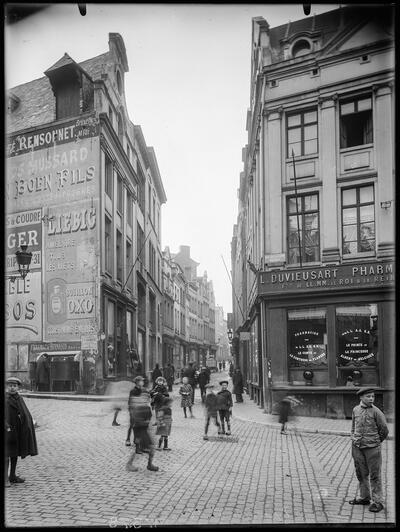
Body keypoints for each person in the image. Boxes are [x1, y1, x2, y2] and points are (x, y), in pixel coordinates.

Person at [348, 387, 389, 513]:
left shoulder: (376, 412)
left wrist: (375, 442)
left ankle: (378, 502)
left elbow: (384, 430)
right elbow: (353, 426)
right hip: (357, 447)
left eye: (373, 396)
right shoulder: (355, 409)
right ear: (361, 397)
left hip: (372, 449)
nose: (371, 398)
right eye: (368, 396)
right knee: (361, 473)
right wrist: (354, 437)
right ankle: (365, 497)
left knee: (375, 475)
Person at [5, 377, 38, 487]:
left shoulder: (19, 398)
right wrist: (7, 427)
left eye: (14, 386)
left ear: (18, 387)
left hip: (17, 430)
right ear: (7, 387)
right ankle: (5, 479)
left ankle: (12, 476)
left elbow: (24, 412)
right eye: (10, 386)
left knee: (14, 453)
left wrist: (28, 423)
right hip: (7, 430)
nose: (12, 388)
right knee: (6, 455)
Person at [125, 376, 159, 472]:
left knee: (148, 446)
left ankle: (149, 464)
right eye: (141, 381)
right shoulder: (134, 393)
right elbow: (132, 406)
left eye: (143, 381)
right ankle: (130, 464)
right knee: (140, 446)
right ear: (137, 382)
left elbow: (148, 405)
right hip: (139, 424)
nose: (142, 382)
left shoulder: (144, 393)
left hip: (144, 424)